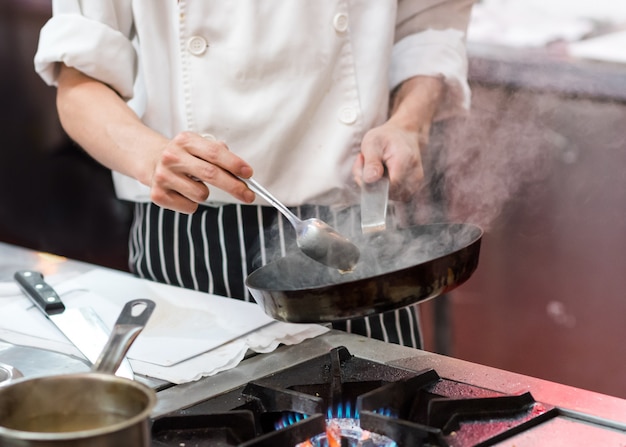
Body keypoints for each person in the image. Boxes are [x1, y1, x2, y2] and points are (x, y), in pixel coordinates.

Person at [34, 1, 474, 349]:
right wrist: (152, 156)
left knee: (387, 421)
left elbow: (428, 25)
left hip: (357, 234)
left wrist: (408, 122)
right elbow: (78, 80)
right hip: (188, 232)